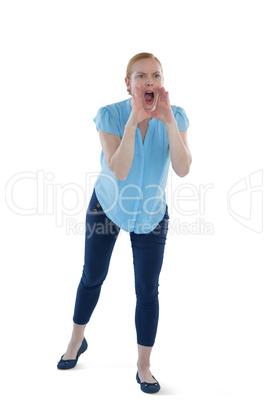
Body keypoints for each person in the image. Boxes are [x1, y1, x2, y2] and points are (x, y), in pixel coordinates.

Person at [57, 52, 192, 394]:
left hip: (150, 216)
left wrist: (169, 123)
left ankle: (143, 366)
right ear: (128, 83)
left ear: (162, 81)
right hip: (107, 207)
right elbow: (118, 170)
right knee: (93, 277)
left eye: (156, 76)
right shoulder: (111, 115)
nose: (150, 81)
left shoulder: (176, 117)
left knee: (148, 291)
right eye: (142, 76)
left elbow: (183, 167)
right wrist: (133, 121)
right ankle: (76, 342)